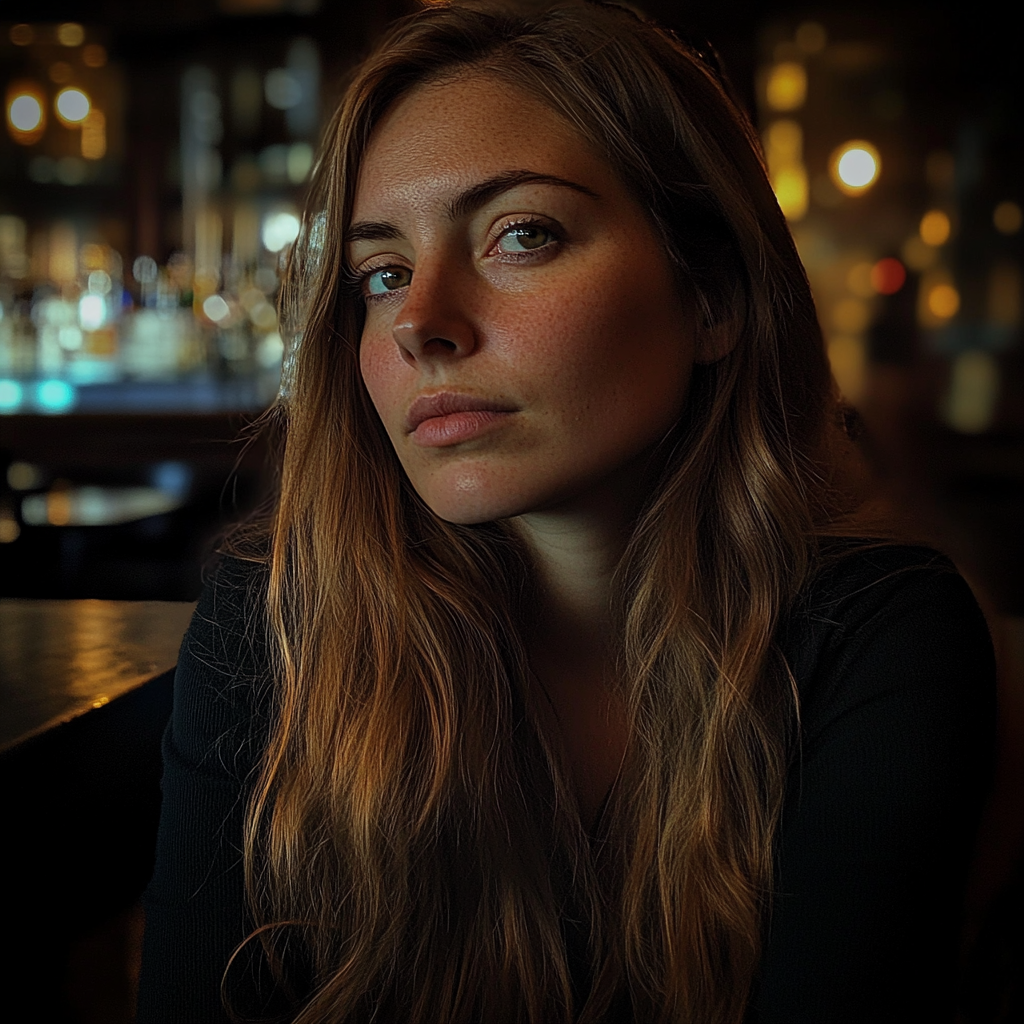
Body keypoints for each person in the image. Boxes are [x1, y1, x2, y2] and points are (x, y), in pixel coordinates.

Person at [137, 3, 995, 1022]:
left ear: (712, 295)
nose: (419, 323)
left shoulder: (873, 638)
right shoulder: (273, 625)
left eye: (521, 234)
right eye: (382, 272)